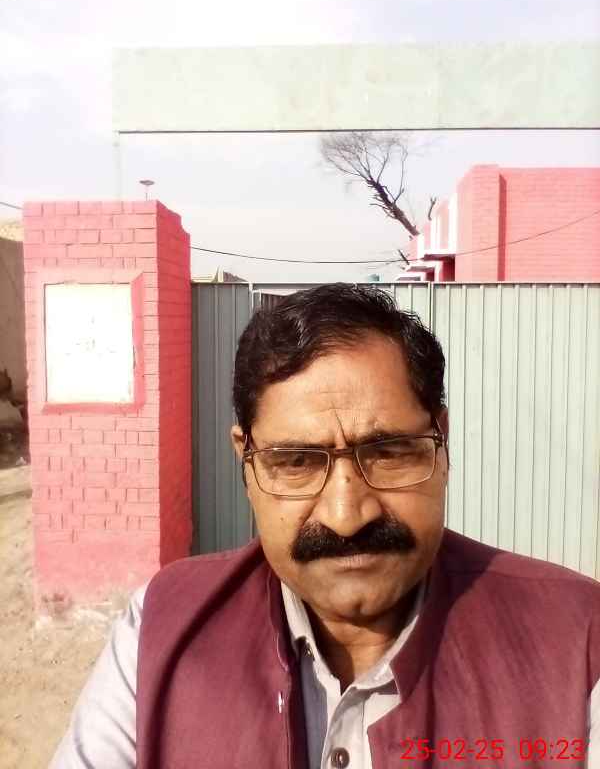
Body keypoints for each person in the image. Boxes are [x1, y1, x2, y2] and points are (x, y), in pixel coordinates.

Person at [50, 283, 600, 769]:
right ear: (246, 463)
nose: (346, 515)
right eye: (296, 462)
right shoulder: (162, 630)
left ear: (443, 443)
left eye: (389, 452)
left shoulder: (578, 643)